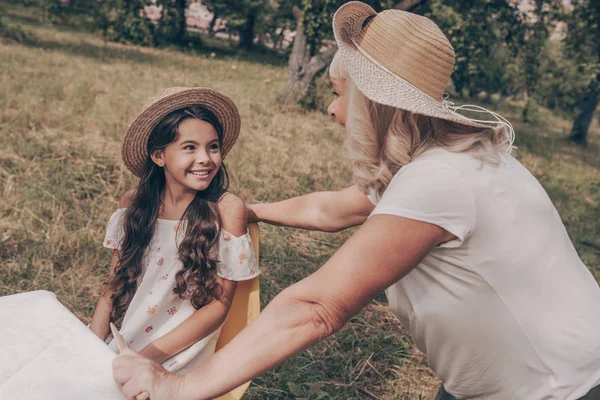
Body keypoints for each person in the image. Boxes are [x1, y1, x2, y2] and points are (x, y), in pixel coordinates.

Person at [112, 3, 600, 399]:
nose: (330, 108)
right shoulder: (452, 161)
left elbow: (320, 306)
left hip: (558, 386)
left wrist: (181, 386)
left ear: (372, 103)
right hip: (523, 378)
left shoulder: (438, 182)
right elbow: (334, 209)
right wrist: (249, 211)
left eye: (339, 93)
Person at [90, 87, 259, 375]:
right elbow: (114, 284)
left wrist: (146, 358)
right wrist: (90, 342)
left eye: (213, 146)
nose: (205, 158)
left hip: (178, 354)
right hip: (126, 336)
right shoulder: (134, 205)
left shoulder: (227, 210)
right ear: (159, 156)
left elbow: (218, 306)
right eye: (190, 147)